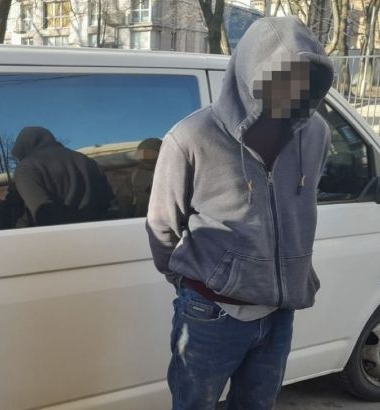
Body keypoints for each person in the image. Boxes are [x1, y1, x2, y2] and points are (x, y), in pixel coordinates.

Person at [146, 16, 333, 410]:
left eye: (305, 78)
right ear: (252, 73)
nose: (294, 89)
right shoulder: (192, 137)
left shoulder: (316, 133)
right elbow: (163, 226)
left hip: (280, 311)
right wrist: (200, 284)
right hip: (210, 312)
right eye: (283, 76)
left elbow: (301, 201)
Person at [2, 126, 115, 227]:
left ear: (22, 149)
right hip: (101, 234)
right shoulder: (87, 161)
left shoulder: (27, 167)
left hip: (55, 239)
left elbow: (42, 212)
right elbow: (112, 206)